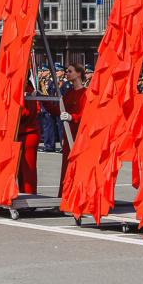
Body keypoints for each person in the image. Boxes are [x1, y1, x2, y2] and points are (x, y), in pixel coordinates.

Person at [57, 64, 88, 196]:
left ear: (78, 74)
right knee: (66, 167)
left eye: (70, 71)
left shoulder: (85, 93)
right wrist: (43, 99)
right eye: (66, 71)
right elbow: (58, 110)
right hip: (68, 134)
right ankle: (64, 195)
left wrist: (72, 117)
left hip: (79, 136)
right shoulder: (69, 93)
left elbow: (85, 115)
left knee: (78, 167)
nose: (67, 73)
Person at [17, 77, 40, 194]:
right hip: (20, 133)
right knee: (20, 170)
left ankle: (29, 193)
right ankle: (23, 192)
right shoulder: (21, 89)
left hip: (29, 134)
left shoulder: (27, 90)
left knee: (28, 169)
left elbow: (27, 112)